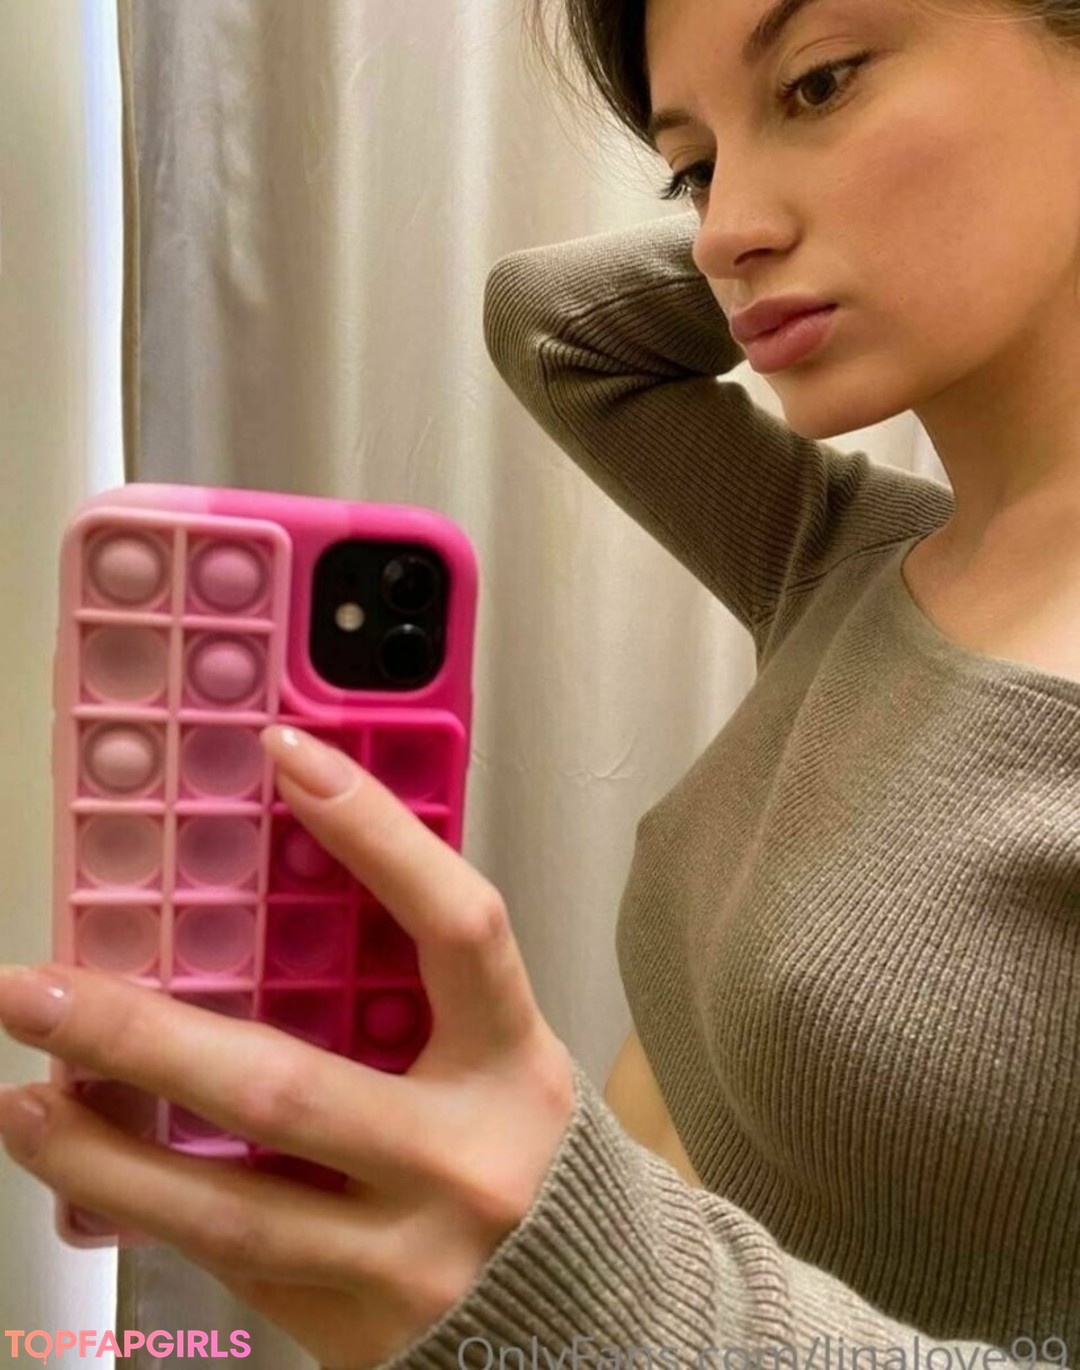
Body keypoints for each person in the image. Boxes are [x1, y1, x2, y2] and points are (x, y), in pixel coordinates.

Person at [0, 0, 1075, 1366]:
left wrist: (579, 1281)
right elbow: (555, 327)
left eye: (819, 84)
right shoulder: (844, 555)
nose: (723, 229)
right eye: (692, 169)